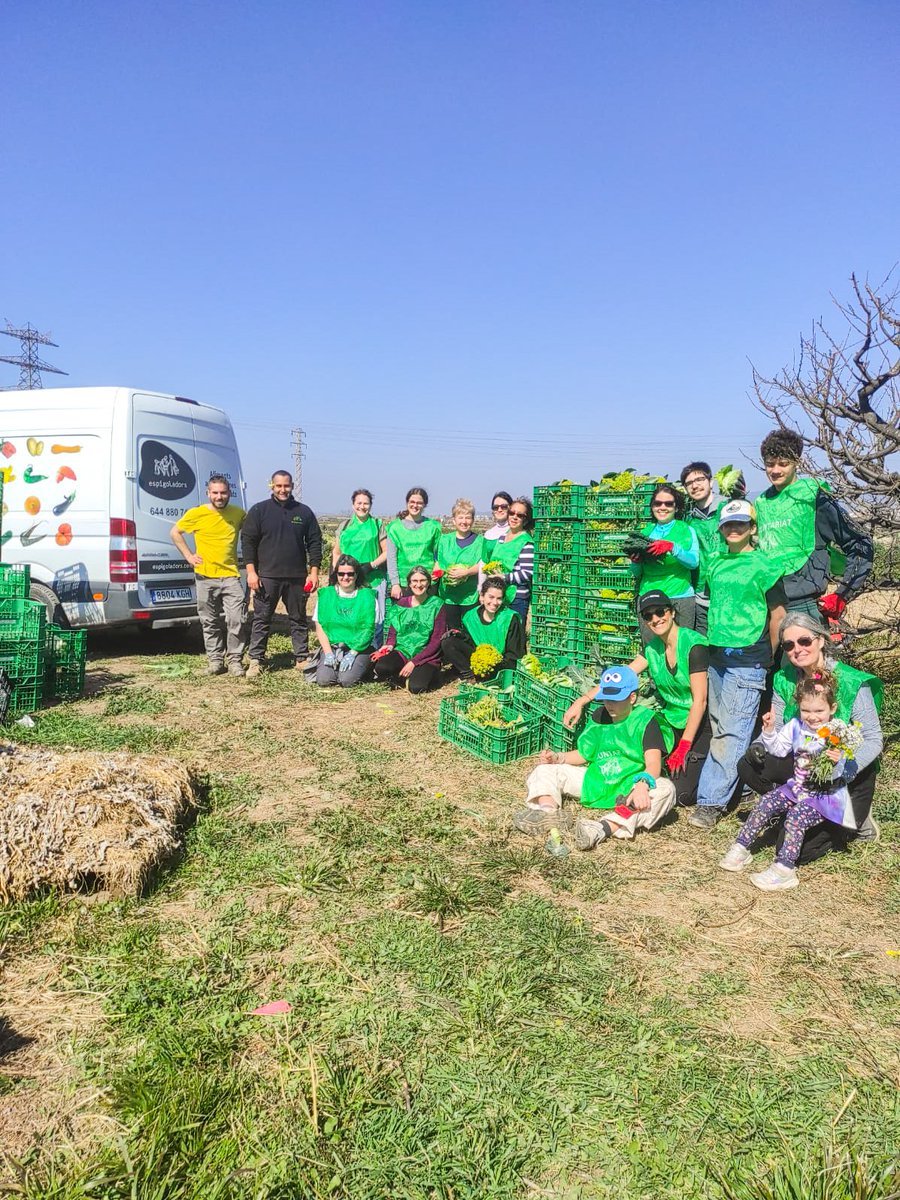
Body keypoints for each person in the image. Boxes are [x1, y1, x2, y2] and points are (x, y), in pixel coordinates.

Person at [737, 611, 883, 857]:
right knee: (748, 764)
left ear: (821, 640)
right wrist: (761, 743)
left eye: (804, 641)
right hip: (804, 766)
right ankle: (791, 807)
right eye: (788, 645)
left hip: (847, 772)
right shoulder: (784, 679)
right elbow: (780, 728)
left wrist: (842, 770)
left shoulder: (851, 682)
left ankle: (854, 818)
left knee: (800, 852)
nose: (797, 649)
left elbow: (873, 738)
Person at [689, 499, 787, 830]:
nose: (734, 530)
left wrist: (769, 655)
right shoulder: (714, 563)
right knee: (722, 724)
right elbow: (708, 608)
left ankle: (711, 802)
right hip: (718, 654)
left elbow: (778, 616)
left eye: (741, 524)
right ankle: (744, 788)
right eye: (728, 525)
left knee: (733, 728)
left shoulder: (765, 565)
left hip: (749, 656)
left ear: (752, 529)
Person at [563, 590, 709, 806]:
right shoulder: (652, 649)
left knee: (683, 795)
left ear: (672, 612)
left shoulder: (694, 646)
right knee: (655, 771)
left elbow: (701, 701)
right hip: (671, 719)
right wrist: (581, 701)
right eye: (648, 616)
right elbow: (619, 679)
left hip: (699, 722)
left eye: (660, 612)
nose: (655, 619)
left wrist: (685, 745)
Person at [719, 670, 858, 891]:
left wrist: (836, 761)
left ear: (832, 709)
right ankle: (741, 848)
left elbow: (840, 774)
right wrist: (769, 731)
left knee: (796, 817)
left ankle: (785, 869)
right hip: (797, 787)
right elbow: (779, 749)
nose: (812, 716)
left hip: (824, 796)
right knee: (767, 802)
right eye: (806, 710)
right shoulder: (796, 726)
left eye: (819, 711)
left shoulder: (836, 734)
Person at [512, 666, 676, 849]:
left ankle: (602, 827)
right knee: (544, 770)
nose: (609, 704)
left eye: (616, 699)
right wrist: (558, 758)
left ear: (632, 697)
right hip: (596, 779)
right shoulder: (600, 716)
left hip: (629, 787)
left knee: (666, 789)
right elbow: (584, 754)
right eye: (606, 698)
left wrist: (642, 785)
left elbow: (653, 763)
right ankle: (548, 812)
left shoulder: (646, 721)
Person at [755, 429, 873, 621]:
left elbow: (859, 542)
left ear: (797, 463)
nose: (775, 470)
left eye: (783, 464)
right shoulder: (761, 502)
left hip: (804, 607)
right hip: (767, 606)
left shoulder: (814, 495)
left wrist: (842, 594)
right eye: (770, 464)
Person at [242, 470, 323, 677]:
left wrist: (313, 573)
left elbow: (315, 543)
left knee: (298, 619)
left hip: (296, 577)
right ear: (272, 486)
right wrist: (251, 572)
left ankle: (301, 657)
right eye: (278, 486)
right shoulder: (259, 510)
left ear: (292, 486)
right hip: (267, 576)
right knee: (262, 618)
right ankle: (256, 660)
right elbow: (248, 543)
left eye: (286, 486)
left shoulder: (303, 512)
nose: (282, 489)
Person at [170, 475, 247, 677]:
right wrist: (189, 556)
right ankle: (215, 662)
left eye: (223, 492)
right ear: (208, 493)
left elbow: (253, 534)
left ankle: (235, 661)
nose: (219, 496)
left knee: (236, 619)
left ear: (229, 493)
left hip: (230, 576)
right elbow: (175, 533)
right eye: (215, 493)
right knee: (209, 621)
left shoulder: (238, 514)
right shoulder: (197, 514)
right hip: (205, 577)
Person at [630, 484, 699, 637]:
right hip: (649, 599)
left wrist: (672, 548)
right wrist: (635, 562)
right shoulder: (644, 533)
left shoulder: (686, 530)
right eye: (658, 503)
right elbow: (636, 573)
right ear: (652, 506)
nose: (663, 507)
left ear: (676, 507)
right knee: (652, 651)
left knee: (681, 647)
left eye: (668, 504)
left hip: (679, 597)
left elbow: (693, 562)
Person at [371, 566, 447, 693]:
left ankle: (428, 674)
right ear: (409, 583)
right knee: (382, 667)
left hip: (426, 655)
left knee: (416, 688)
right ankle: (403, 674)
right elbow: (393, 632)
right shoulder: (401, 604)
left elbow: (436, 641)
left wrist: (414, 662)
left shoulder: (437, 604)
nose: (419, 584)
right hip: (403, 650)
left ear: (428, 582)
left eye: (422, 580)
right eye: (415, 581)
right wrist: (389, 645)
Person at [441, 576, 526, 680]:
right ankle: (469, 676)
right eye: (491, 597)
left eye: (499, 598)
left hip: (500, 665)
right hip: (478, 660)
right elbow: (469, 642)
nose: (494, 603)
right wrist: (457, 635)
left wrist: (492, 663)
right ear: (482, 596)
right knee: (448, 642)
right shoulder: (470, 617)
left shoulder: (510, 618)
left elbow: (514, 654)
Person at [332, 488, 387, 645]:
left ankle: (374, 652)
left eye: (366, 503)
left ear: (370, 505)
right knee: (351, 615)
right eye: (359, 503)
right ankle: (351, 649)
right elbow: (336, 552)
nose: (362, 506)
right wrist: (338, 573)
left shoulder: (377, 524)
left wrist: (371, 565)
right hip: (349, 580)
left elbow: (386, 552)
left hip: (373, 580)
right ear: (353, 505)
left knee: (375, 619)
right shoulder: (344, 526)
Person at [313, 555, 376, 688]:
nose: (345, 577)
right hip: (333, 647)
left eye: (350, 574)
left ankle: (365, 667)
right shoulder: (326, 595)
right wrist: (328, 653)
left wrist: (353, 653)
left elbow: (369, 630)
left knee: (347, 681)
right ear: (336, 574)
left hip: (358, 648)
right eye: (341, 573)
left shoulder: (368, 597)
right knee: (324, 680)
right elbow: (320, 626)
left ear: (357, 575)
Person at [680, 461, 726, 637]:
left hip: (727, 591)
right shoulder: (689, 520)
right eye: (689, 483)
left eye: (699, 479)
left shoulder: (727, 509)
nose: (695, 485)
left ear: (711, 482)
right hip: (701, 595)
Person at [434, 498, 486, 631]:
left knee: (470, 630)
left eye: (468, 518)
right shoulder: (444, 540)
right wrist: (436, 574)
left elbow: (483, 564)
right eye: (460, 517)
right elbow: (437, 562)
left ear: (473, 520)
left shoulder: (480, 541)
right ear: (454, 520)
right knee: (451, 631)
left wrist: (467, 572)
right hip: (448, 596)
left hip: (470, 595)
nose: (464, 521)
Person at [482, 497, 535, 620]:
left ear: (526, 520)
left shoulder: (526, 542)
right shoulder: (502, 538)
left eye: (520, 515)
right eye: (512, 513)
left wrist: (505, 577)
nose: (514, 517)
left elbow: (527, 573)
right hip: (498, 596)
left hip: (516, 598)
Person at [386, 488, 442, 601]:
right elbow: (391, 558)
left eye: (419, 503)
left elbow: (439, 554)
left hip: (427, 582)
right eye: (412, 502)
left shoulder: (433, 527)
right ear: (407, 503)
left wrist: (437, 568)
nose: (415, 505)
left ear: (424, 505)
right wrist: (395, 583)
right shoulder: (394, 528)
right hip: (403, 583)